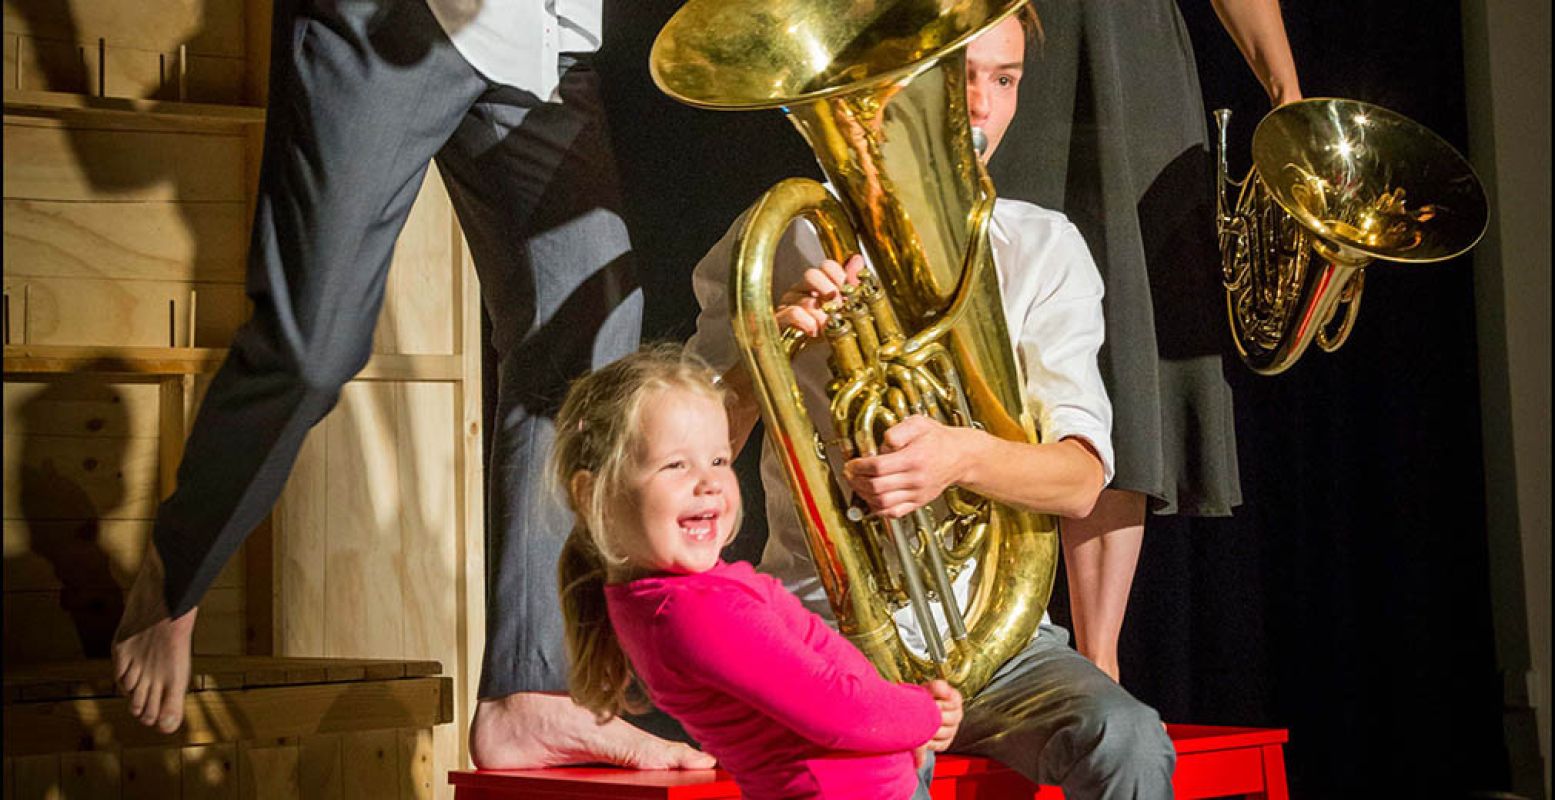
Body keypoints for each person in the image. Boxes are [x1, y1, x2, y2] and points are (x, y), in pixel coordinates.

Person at [109, 0, 710, 770]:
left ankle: (532, 693)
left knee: (589, 337)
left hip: (542, 39)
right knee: (312, 351)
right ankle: (178, 565)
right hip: (391, 19)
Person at [688, 11, 1175, 798]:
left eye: (1005, 79)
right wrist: (766, 349)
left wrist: (960, 457)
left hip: (999, 641)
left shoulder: (1043, 249)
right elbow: (688, 455)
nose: (982, 107)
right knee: (883, 762)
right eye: (959, 77)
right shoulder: (780, 240)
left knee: (1126, 738)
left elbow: (1079, 482)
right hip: (824, 632)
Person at [987, 0, 1303, 681]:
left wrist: (1286, 98)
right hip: (994, 37)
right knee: (979, 318)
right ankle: (973, 646)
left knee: (1124, 349)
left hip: (1129, 61)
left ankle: (1098, 661)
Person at [551, 345, 964, 799]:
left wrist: (900, 725)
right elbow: (834, 707)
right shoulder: (693, 612)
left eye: (719, 460)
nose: (708, 481)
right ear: (596, 496)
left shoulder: (684, 596)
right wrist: (922, 714)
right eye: (675, 465)